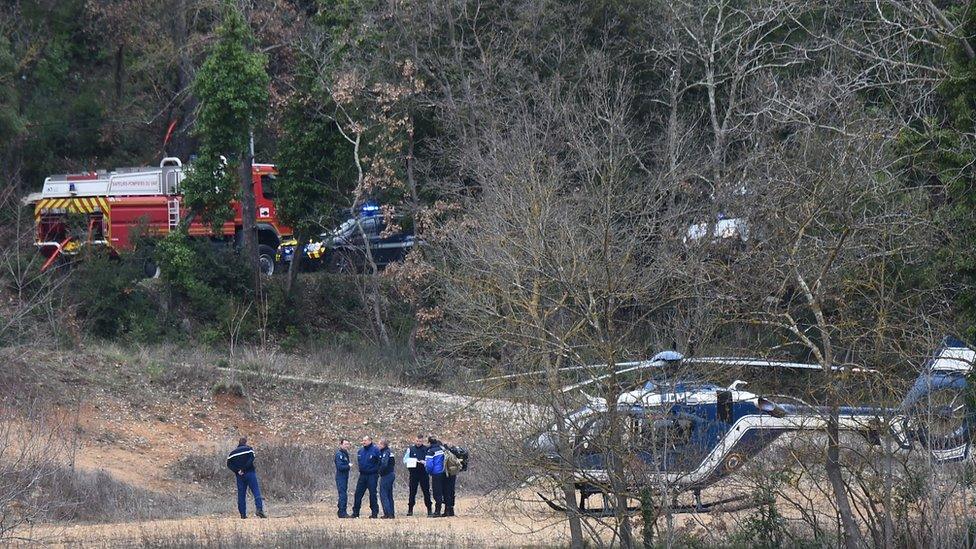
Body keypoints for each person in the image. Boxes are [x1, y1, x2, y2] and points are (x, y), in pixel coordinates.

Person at [226, 437, 267, 519]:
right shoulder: (249, 449)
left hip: (239, 476)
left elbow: (229, 464)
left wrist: (237, 470)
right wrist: (244, 468)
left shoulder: (232, 453)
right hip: (250, 473)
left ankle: (243, 514)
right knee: (256, 491)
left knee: (241, 495)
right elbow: (252, 459)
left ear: (238, 443)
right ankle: (259, 509)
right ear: (245, 442)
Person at [351, 435, 381, 518]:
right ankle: (355, 513)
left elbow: (380, 462)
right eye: (363, 440)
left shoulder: (375, 450)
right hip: (362, 475)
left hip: (372, 475)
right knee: (358, 494)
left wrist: (376, 471)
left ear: (370, 441)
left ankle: (374, 513)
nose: (364, 442)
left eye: (365, 440)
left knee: (372, 494)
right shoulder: (360, 451)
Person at [403, 434, 432, 516]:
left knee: (426, 492)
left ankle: (429, 509)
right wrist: (413, 460)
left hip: (423, 473)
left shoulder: (426, 449)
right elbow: (405, 460)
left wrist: (424, 462)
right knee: (412, 492)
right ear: (414, 440)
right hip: (413, 473)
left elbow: (429, 461)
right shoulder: (410, 449)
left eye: (420, 441)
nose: (418, 443)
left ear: (422, 441)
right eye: (417, 441)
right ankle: (410, 510)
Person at [424, 436, 446, 517]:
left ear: (429, 443)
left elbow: (429, 465)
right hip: (444, 472)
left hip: (436, 473)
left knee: (437, 493)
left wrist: (428, 471)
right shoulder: (442, 449)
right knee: (442, 491)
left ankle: (437, 511)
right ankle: (446, 509)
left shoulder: (431, 451)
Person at [378, 438, 396, 518]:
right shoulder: (389, 452)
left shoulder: (386, 452)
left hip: (386, 475)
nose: (378, 446)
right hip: (391, 474)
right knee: (389, 495)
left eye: (379, 444)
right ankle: (391, 513)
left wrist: (379, 471)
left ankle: (387, 513)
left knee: (384, 494)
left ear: (383, 444)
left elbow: (384, 464)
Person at [334, 439, 352, 518]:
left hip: (345, 477)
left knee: (343, 493)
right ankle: (342, 512)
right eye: (345, 444)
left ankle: (341, 511)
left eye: (348, 444)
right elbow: (340, 466)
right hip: (340, 477)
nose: (346, 446)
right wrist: (348, 466)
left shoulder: (345, 454)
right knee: (343, 495)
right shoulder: (339, 454)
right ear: (341, 445)